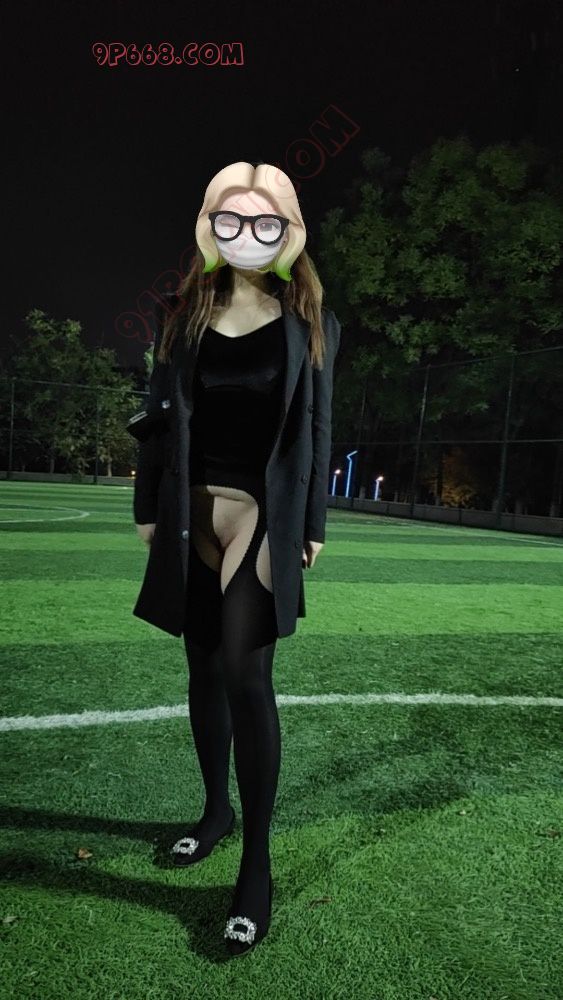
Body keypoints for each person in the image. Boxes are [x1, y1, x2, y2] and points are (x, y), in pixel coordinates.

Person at [132, 161, 341, 956]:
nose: (245, 235)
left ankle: (256, 867)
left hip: (260, 514)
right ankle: (214, 811)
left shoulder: (308, 318)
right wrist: (147, 507)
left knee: (247, 677)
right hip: (191, 509)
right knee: (201, 666)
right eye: (230, 220)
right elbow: (156, 414)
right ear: (209, 226)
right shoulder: (182, 313)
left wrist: (312, 522)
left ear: (287, 232)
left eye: (262, 223)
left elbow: (317, 425)